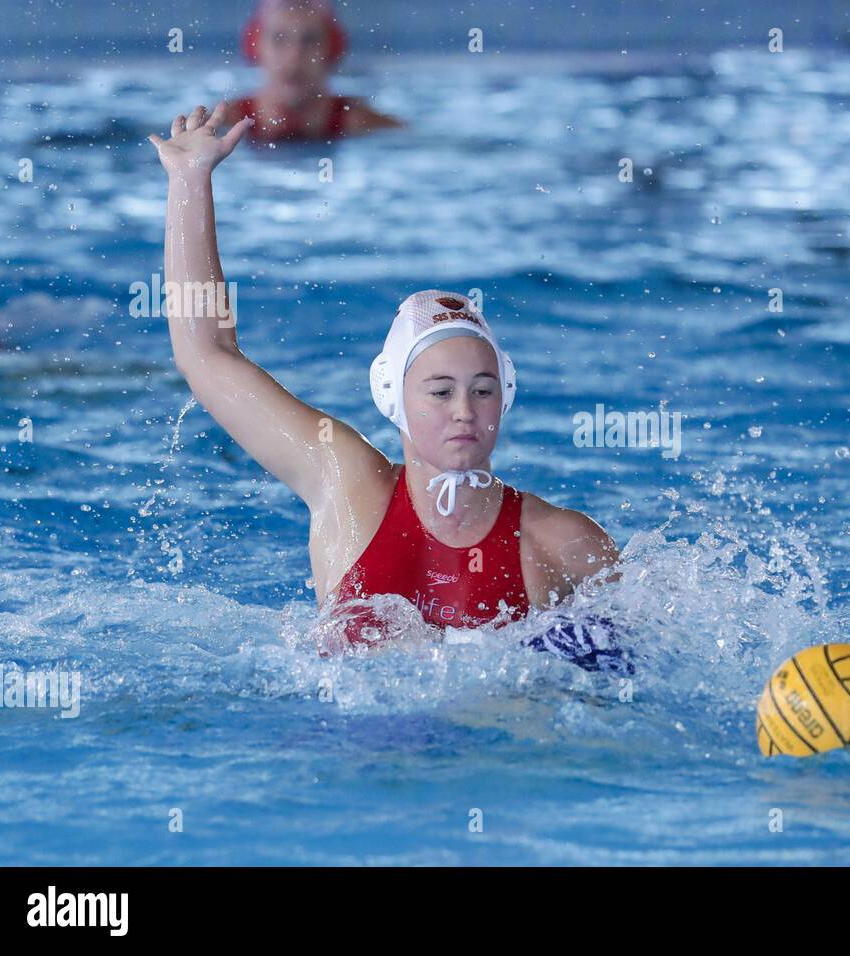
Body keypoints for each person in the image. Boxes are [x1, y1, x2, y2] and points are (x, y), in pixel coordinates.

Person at [147, 102, 620, 651]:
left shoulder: (563, 544)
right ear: (391, 395)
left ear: (505, 395)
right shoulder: (346, 488)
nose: (464, 410)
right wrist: (188, 181)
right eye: (440, 391)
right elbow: (206, 354)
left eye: (482, 390)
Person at [225, 0, 402, 143]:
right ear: (255, 47)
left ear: (332, 49)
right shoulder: (225, 123)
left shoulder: (363, 124)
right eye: (279, 39)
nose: (294, 56)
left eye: (309, 40)